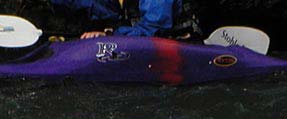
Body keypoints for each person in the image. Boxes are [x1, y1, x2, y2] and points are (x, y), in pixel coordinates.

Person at [49, 0, 201, 40]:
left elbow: (153, 29)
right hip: (137, 36)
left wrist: (109, 35)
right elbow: (101, 9)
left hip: (179, 41)